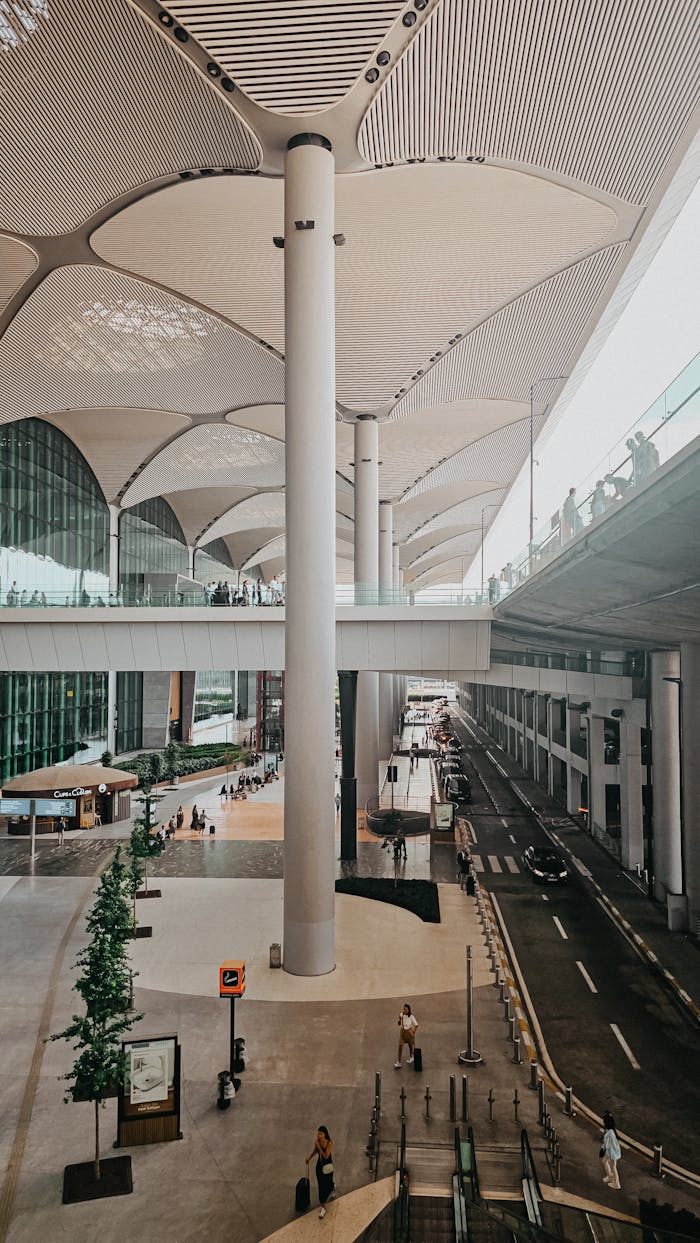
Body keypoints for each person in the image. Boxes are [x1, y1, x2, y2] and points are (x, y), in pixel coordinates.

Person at [306, 1126, 335, 1219]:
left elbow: (326, 1156)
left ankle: (332, 1188)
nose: (318, 1135)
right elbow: (315, 1151)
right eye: (318, 1134)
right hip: (320, 1166)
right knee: (321, 1185)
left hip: (328, 1165)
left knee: (328, 1181)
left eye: (320, 1134)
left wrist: (319, 1147)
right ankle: (323, 1206)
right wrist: (309, 1158)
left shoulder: (329, 1142)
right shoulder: (317, 1142)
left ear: (325, 1134)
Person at [601, 1114, 621, 1189]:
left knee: (613, 1167)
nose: (603, 1123)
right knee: (604, 1161)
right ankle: (610, 1177)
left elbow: (608, 1146)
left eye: (604, 1122)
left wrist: (604, 1150)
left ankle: (616, 1184)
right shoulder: (612, 1131)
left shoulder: (609, 1134)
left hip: (612, 1153)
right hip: (613, 1152)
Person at [395, 1003, 418, 1068]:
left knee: (410, 1045)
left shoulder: (411, 1017)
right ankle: (398, 1062)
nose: (404, 1010)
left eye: (406, 1009)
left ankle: (411, 1057)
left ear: (408, 1010)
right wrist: (399, 1019)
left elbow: (416, 1025)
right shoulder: (401, 1015)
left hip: (409, 1032)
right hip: (402, 1032)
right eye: (404, 1009)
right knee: (400, 1046)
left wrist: (413, 1032)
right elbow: (399, 1024)